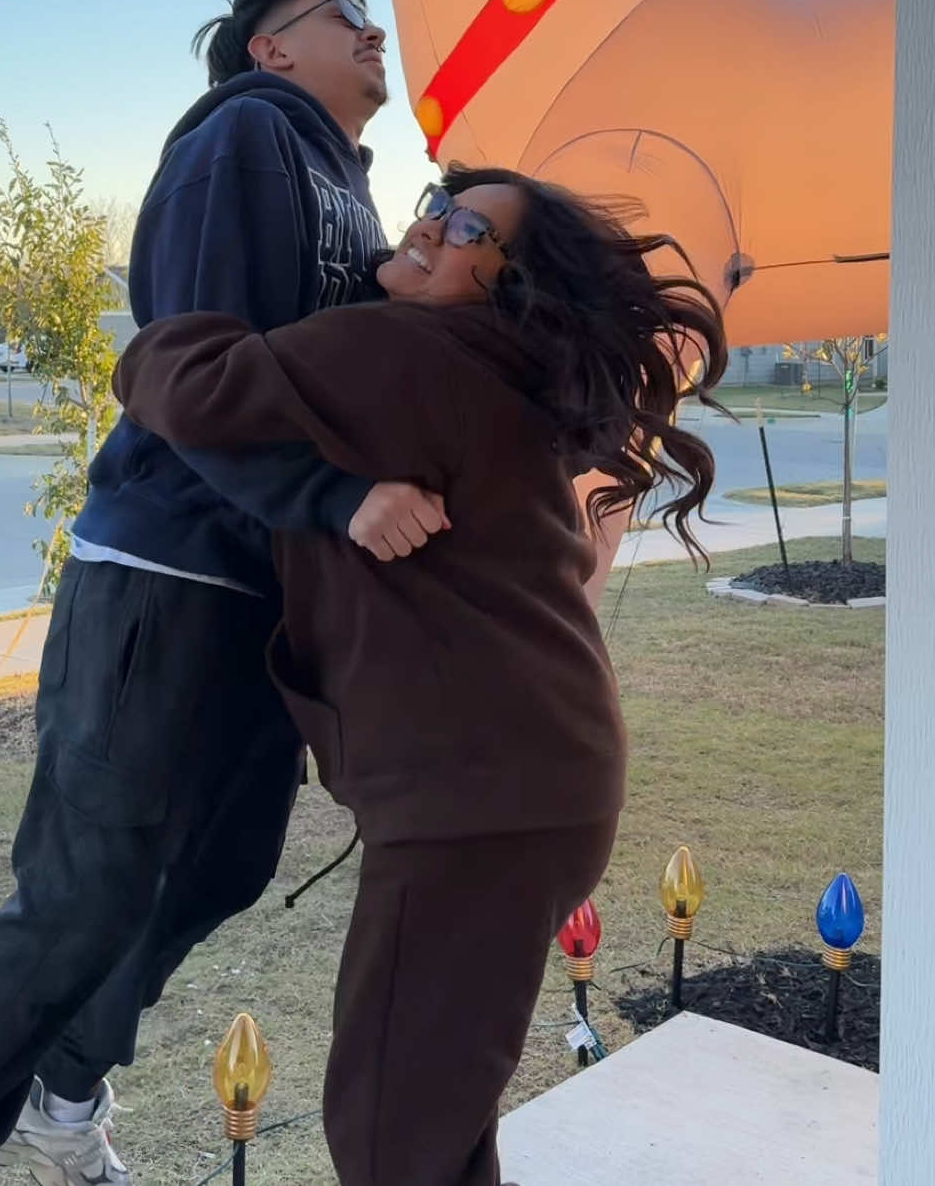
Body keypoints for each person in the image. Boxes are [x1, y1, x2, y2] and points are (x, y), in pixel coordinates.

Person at [0, 0, 450, 1186]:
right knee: (82, 893)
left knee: (227, 866)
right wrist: (331, 498)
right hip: (165, 566)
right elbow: (191, 366)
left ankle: (62, 1091)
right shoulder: (245, 137)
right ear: (269, 49)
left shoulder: (349, 187)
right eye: (344, 16)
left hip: (269, 591)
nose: (374, 32)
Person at [111, 167, 729, 1186]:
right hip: (528, 782)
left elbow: (164, 370)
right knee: (428, 1121)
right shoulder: (503, 366)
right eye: (435, 205)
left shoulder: (400, 350)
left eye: (468, 226)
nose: (431, 226)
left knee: (392, 1133)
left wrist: (303, 404)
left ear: (512, 280)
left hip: (478, 803)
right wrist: (334, 487)